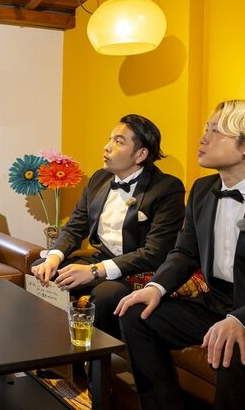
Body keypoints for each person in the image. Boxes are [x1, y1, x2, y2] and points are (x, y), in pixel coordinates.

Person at [115, 100, 245, 410]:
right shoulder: (201, 189)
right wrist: (156, 287)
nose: (203, 138)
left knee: (232, 350)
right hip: (215, 303)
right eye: (206, 129)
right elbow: (185, 252)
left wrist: (243, 320)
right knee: (136, 315)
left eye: (216, 131)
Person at [31, 114, 185, 339]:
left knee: (106, 295)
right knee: (41, 269)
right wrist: (54, 257)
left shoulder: (166, 188)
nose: (107, 146)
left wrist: (94, 271)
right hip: (101, 259)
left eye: (119, 141)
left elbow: (155, 252)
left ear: (141, 154)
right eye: (110, 139)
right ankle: (52, 344)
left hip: (140, 269)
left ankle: (95, 357)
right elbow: (75, 227)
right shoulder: (99, 178)